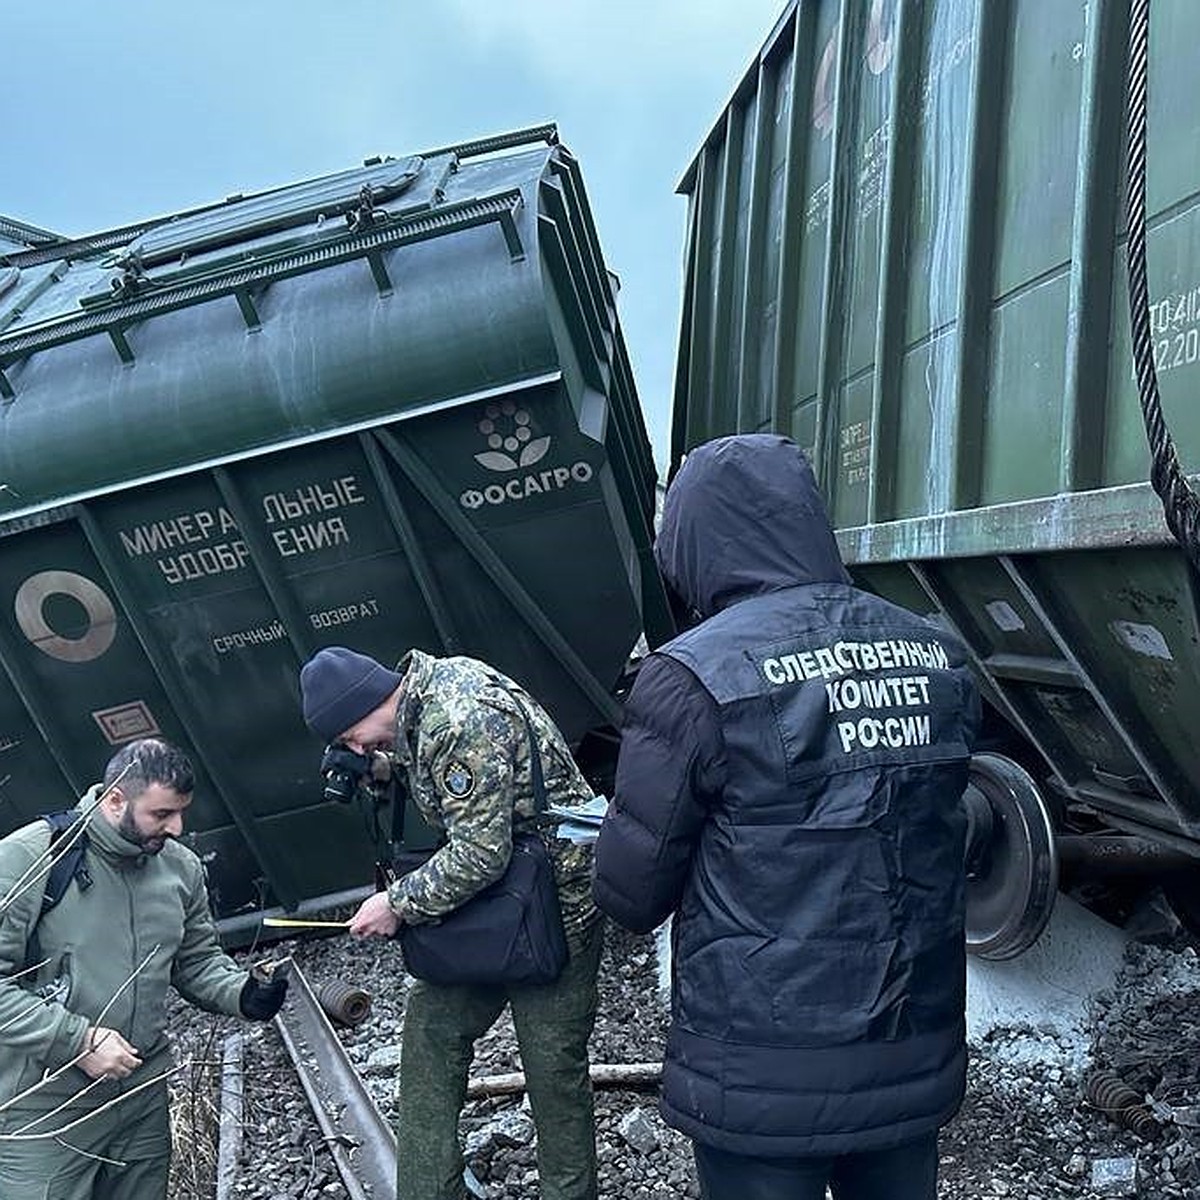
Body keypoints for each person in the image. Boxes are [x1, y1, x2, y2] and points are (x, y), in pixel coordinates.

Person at [593, 433, 981, 1200]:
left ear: (696, 544)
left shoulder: (691, 677)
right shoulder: (936, 656)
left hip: (763, 1073)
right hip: (911, 1049)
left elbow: (631, 895)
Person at [299, 645, 604, 1200]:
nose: (355, 748)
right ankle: (427, 1191)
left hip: (555, 907)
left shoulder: (457, 719)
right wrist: (383, 768)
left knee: (551, 1070)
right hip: (496, 904)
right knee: (430, 1033)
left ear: (363, 705)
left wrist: (396, 903)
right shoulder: (424, 699)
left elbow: (481, 854)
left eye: (350, 738)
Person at [0, 736, 288, 1200]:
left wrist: (242, 993)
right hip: (47, 1107)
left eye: (181, 812)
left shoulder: (180, 869)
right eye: (161, 814)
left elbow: (194, 961)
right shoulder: (31, 859)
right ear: (115, 799)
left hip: (140, 1094)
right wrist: (77, 1041)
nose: (176, 827)